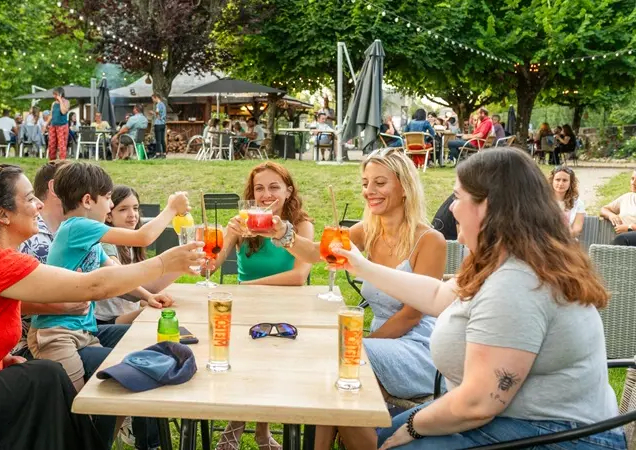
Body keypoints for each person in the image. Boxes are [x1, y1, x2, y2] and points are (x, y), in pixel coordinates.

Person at [0, 164, 204, 450]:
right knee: (42, 379)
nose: (40, 205)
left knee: (42, 375)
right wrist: (163, 262)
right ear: (2, 214)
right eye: (29, 199)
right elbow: (95, 285)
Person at [327, 147, 625, 450]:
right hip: (510, 423)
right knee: (374, 438)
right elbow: (436, 294)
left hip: (553, 436)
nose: (451, 210)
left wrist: (414, 427)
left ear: (489, 207)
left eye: (458, 197)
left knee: (383, 443)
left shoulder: (518, 282)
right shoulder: (505, 261)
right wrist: (360, 264)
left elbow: (479, 403)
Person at [256, 150, 445, 449]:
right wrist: (283, 232)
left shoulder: (429, 240)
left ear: (404, 185)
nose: (369, 191)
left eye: (380, 182)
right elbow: (316, 253)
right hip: (377, 344)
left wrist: (358, 347)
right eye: (366, 182)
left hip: (419, 348)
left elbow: (413, 315)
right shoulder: (366, 231)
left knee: (338, 363)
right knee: (336, 376)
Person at [27, 161, 190, 392]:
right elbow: (143, 237)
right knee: (74, 399)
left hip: (83, 330)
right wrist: (171, 208)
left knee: (108, 389)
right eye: (108, 198)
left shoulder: (88, 239)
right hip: (57, 334)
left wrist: (147, 296)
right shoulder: (77, 227)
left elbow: (116, 274)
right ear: (87, 201)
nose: (111, 204)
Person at [208, 161, 315, 450]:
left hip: (287, 307)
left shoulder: (302, 225)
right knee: (246, 357)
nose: (266, 195)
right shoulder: (244, 222)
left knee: (268, 357)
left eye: (274, 187)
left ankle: (235, 432)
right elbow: (210, 266)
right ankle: (259, 434)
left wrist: (244, 288)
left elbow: (298, 276)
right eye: (259, 188)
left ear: (288, 191)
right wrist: (226, 235)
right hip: (247, 308)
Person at [96, 185, 178, 325]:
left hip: (124, 313)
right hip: (106, 321)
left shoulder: (131, 246)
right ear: (109, 216)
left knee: (168, 311)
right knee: (161, 318)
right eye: (123, 209)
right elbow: (122, 279)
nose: (132, 214)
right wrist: (176, 264)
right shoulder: (106, 243)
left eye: (135, 208)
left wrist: (149, 299)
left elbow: (140, 291)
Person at [601, 169, 636, 246]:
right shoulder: (626, 197)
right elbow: (603, 209)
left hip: (625, 239)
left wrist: (630, 227)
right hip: (626, 242)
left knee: (621, 239)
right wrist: (611, 215)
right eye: (632, 179)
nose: (633, 183)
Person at [550, 166, 584, 239]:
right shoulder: (543, 200)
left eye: (564, 180)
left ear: (570, 183)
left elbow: (577, 229)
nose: (560, 183)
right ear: (552, 181)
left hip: (568, 240)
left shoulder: (578, 203)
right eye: (557, 180)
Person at [45, 87, 70, 160]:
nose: (54, 96)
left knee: (61, 145)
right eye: (54, 94)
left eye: (56, 94)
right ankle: (52, 162)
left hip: (62, 126)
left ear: (61, 94)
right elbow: (51, 115)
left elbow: (63, 111)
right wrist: (46, 124)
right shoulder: (53, 104)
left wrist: (60, 101)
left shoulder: (66, 102)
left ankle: (62, 162)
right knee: (52, 145)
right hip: (53, 126)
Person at [151, 93, 167, 158]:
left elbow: (157, 114)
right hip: (163, 124)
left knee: (158, 140)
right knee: (162, 140)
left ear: (156, 97)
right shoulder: (163, 104)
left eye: (153, 99)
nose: (153, 100)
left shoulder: (158, 105)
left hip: (158, 124)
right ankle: (164, 154)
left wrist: (153, 113)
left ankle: (157, 154)